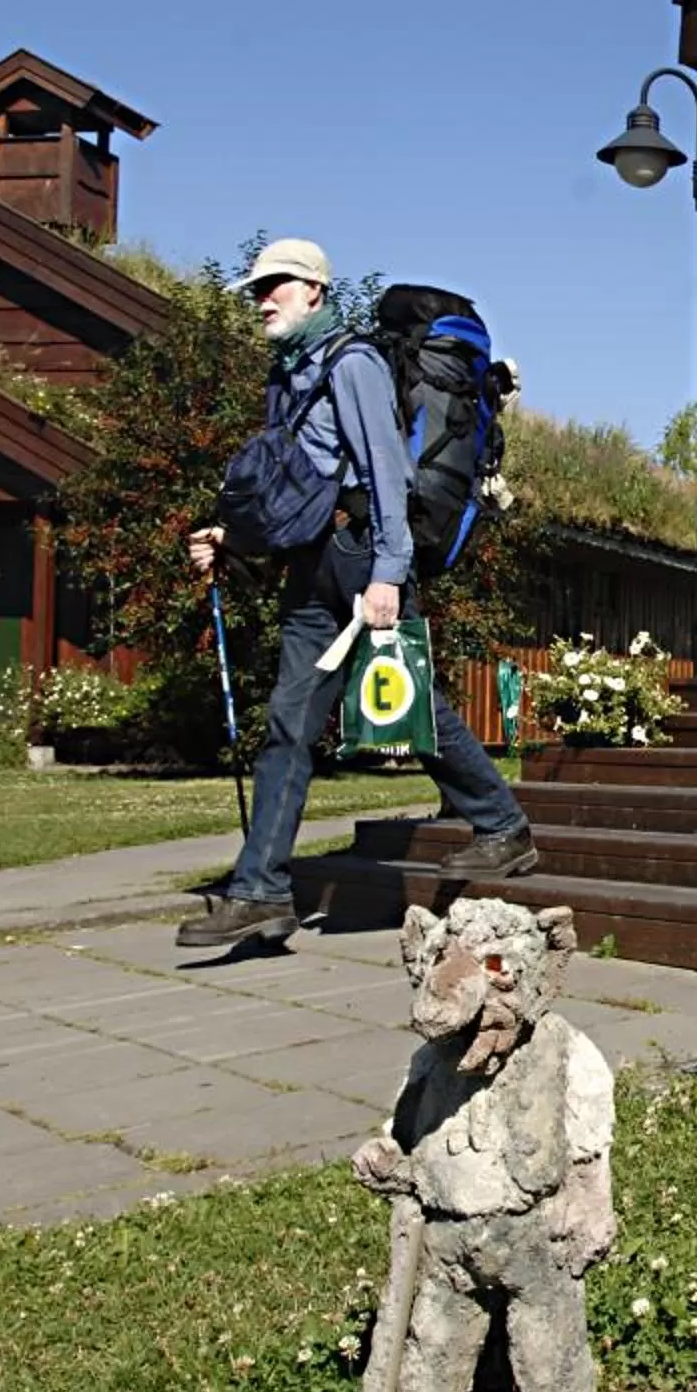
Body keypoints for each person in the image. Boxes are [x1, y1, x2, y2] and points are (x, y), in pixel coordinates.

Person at [180, 237, 539, 949]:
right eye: (256, 288)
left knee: (412, 708)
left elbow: (387, 473)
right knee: (290, 725)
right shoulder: (289, 374)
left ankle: (503, 825)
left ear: (314, 289)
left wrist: (388, 573)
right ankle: (260, 893)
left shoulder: (353, 364)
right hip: (312, 567)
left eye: (276, 286)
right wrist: (231, 535)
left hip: (361, 558)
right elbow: (295, 482)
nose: (262, 299)